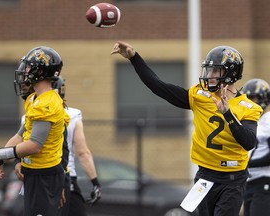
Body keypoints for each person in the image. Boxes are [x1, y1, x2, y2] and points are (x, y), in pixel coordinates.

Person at [111, 41, 263, 216]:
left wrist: (228, 113)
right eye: (209, 70)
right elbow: (158, 86)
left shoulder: (248, 107)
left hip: (232, 179)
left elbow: (248, 142)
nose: (210, 75)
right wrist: (134, 58)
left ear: (231, 74)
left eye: (216, 71)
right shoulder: (200, 96)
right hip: (205, 176)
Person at [0, 46, 70, 216]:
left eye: (29, 66)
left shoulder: (47, 104)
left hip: (45, 176)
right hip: (34, 174)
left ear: (41, 70)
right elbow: (20, 136)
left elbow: (34, 146)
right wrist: (0, 162)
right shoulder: (34, 98)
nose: (25, 70)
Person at [52, 76, 101, 216]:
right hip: (66, 176)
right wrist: (95, 182)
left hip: (40, 177)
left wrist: (1, 158)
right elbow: (82, 153)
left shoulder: (30, 115)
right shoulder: (72, 115)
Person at [242, 79, 270, 216]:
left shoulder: (269, 120)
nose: (250, 102)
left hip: (265, 181)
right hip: (248, 182)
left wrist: (247, 164)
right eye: (247, 98)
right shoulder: (248, 122)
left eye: (253, 98)